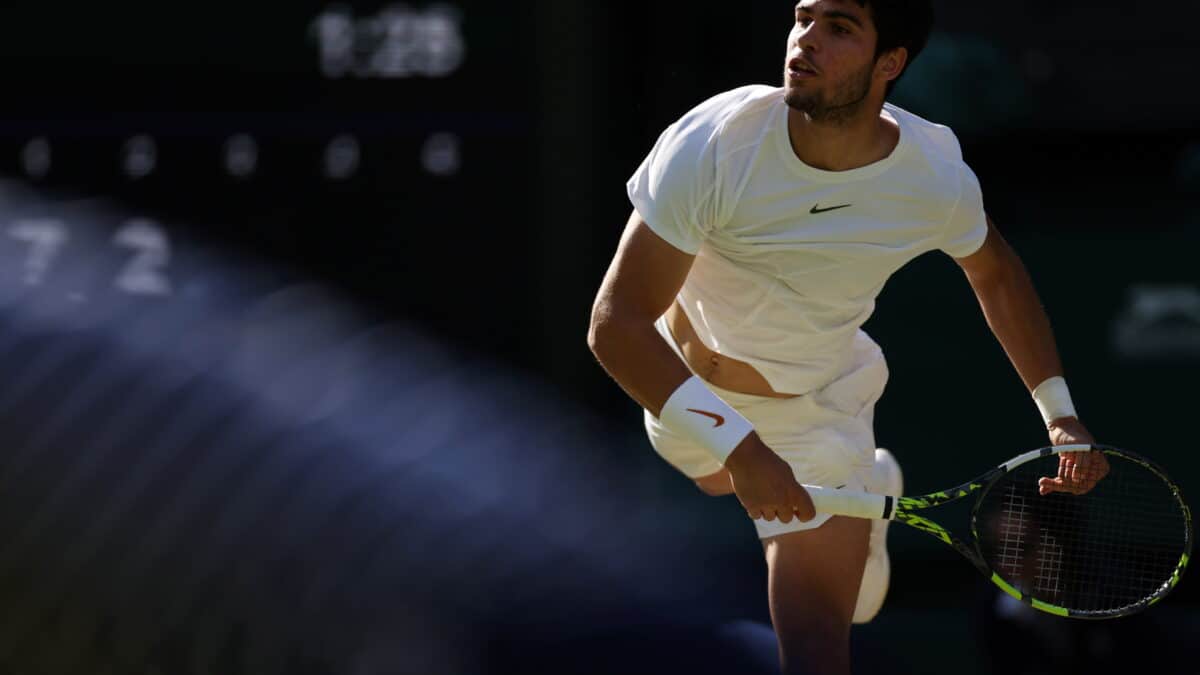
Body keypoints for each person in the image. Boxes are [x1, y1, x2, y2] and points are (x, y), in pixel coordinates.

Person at [587, 1, 1108, 673]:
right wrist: (744, 450)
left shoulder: (931, 176)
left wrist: (1060, 413)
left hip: (816, 412)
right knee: (719, 481)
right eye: (803, 18)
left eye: (838, 28)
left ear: (890, 63)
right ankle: (871, 496)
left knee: (815, 646)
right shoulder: (717, 140)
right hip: (682, 398)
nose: (806, 39)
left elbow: (999, 275)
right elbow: (616, 325)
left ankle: (854, 495)